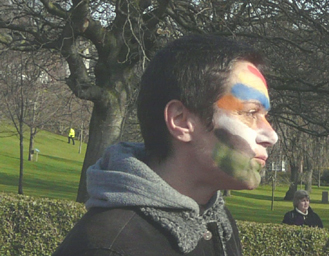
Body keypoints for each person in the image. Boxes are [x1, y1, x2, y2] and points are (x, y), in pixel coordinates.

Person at [53, 35, 278, 256]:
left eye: (265, 116)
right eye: (251, 113)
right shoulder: (108, 246)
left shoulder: (218, 222)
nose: (271, 135)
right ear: (180, 120)